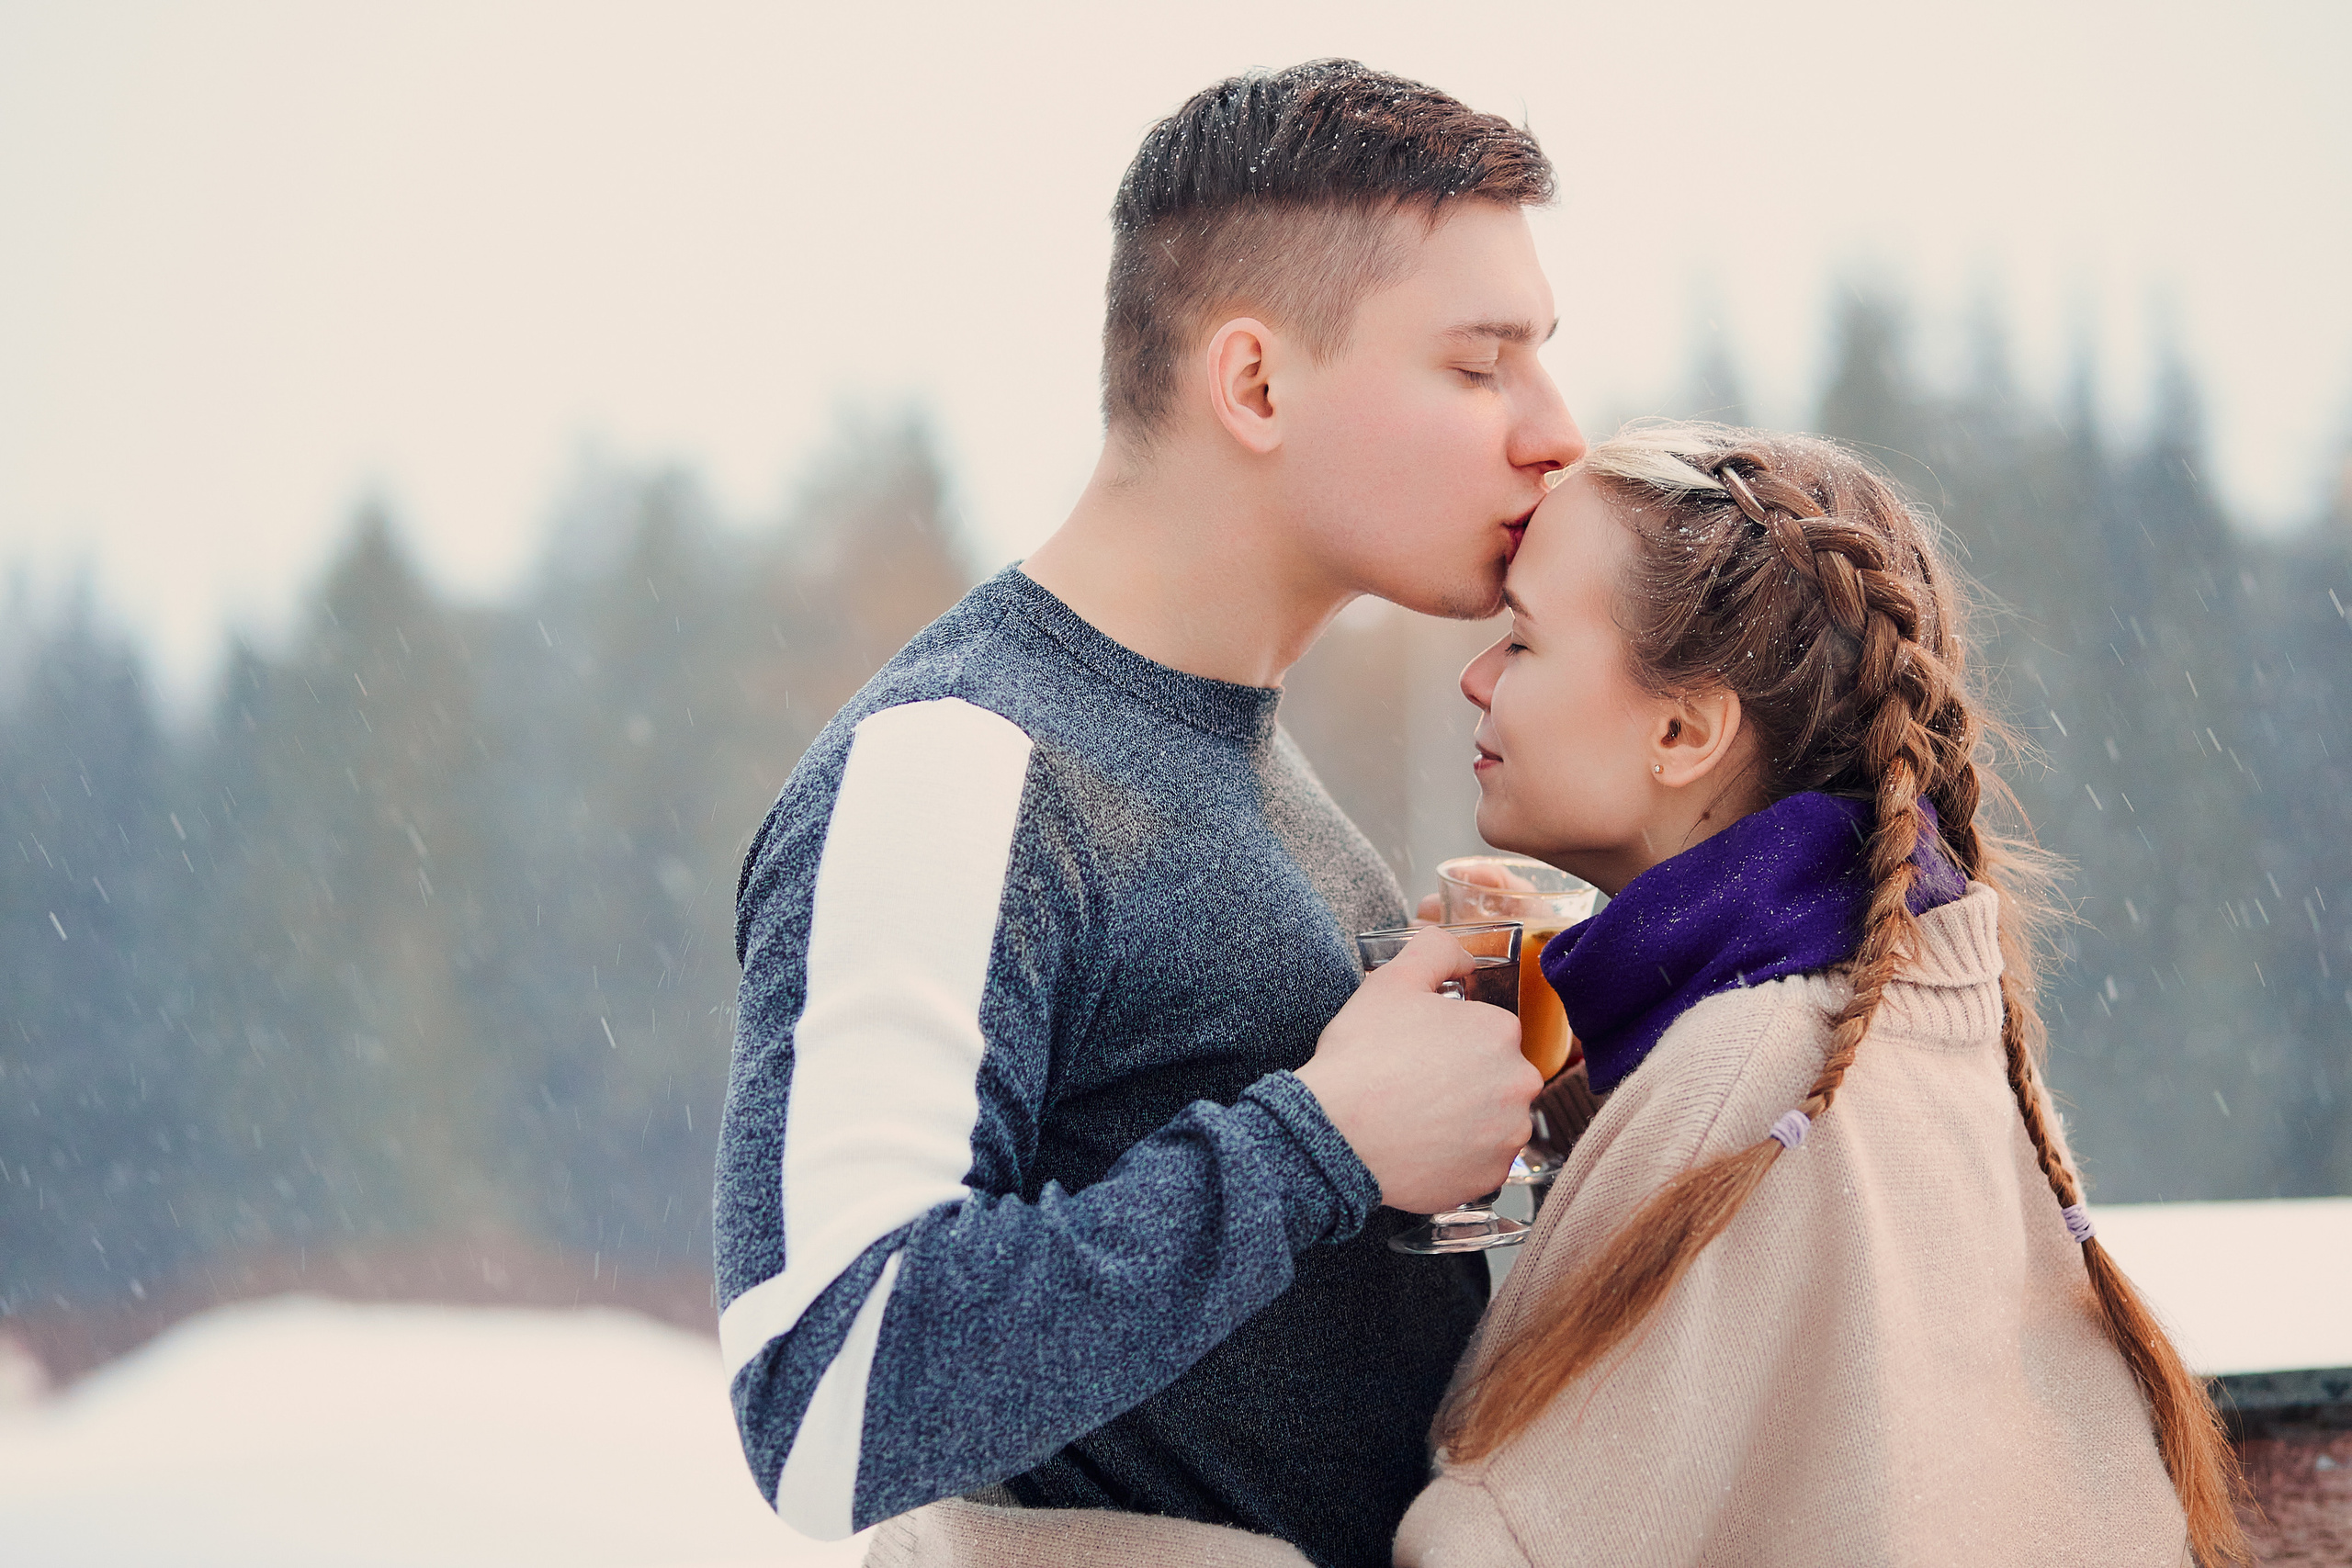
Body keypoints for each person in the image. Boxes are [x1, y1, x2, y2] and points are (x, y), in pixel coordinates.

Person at [714, 61, 1583, 1568]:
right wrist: (1324, 1142)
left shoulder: (1254, 762)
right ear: (1253, 383)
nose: (1556, 430)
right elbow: (826, 1391)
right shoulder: (959, 765)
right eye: (1479, 363)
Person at [1392, 423, 2249, 1566]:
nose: (1474, 676)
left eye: (1522, 643)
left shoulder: (1739, 1077)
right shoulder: (1908, 1016)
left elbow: (1486, 1546)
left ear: (1681, 730)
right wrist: (1560, 1100)